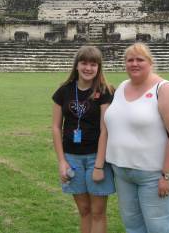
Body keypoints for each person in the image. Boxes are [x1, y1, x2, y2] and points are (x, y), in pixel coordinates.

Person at [104, 43, 169, 233]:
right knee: (133, 228)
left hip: (154, 174)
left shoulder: (165, 89)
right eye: (129, 60)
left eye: (140, 59)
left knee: (160, 228)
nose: (134, 64)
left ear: (150, 63)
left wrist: (167, 175)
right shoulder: (123, 87)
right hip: (122, 171)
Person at [52, 45, 115, 233]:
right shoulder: (64, 91)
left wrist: (98, 165)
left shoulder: (105, 91)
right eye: (84, 63)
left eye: (93, 64)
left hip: (96, 156)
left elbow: (106, 130)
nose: (88, 68)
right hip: (72, 158)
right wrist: (62, 161)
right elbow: (56, 127)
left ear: (99, 67)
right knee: (85, 211)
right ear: (77, 66)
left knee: (98, 212)